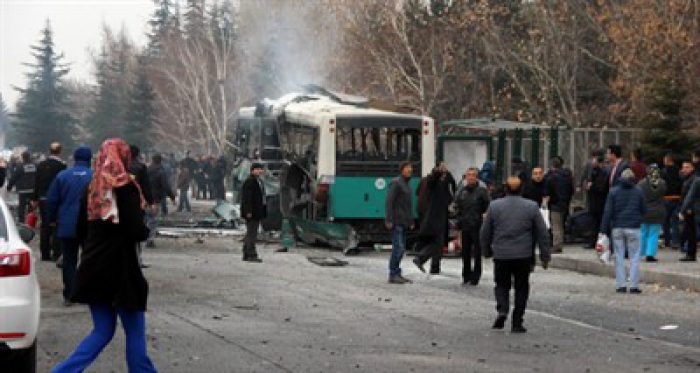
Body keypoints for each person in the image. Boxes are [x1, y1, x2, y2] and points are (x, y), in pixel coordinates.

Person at [52, 139, 156, 373]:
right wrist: (145, 228)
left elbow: (81, 231)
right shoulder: (126, 188)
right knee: (135, 331)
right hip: (121, 272)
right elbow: (135, 231)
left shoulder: (92, 189)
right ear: (124, 157)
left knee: (102, 331)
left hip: (92, 269)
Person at [481, 176, 551, 333]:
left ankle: (502, 309)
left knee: (501, 284)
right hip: (523, 254)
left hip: (501, 254)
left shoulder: (494, 206)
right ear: (522, 189)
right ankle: (517, 320)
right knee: (521, 287)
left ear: (505, 189)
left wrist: (486, 250)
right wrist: (545, 256)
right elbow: (542, 233)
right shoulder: (532, 207)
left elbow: (485, 231)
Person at [46, 146, 93, 306]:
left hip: (67, 224)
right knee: (89, 258)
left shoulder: (62, 176)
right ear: (90, 159)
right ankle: (87, 292)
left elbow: (52, 200)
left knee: (69, 259)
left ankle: (70, 294)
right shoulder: (95, 176)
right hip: (89, 225)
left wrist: (51, 219)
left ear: (74, 158)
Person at [601, 169, 646, 294]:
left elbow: (608, 212)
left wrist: (603, 230)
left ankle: (621, 284)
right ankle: (634, 285)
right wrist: (639, 218)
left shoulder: (613, 191)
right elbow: (643, 209)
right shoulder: (638, 191)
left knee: (619, 255)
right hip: (633, 226)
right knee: (635, 256)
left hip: (617, 227)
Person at [412, 165, 453, 274]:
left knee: (435, 243)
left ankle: (426, 262)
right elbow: (433, 179)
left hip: (438, 219)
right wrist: (438, 171)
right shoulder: (433, 184)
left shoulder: (441, 185)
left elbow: (448, 199)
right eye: (443, 174)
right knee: (437, 244)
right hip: (434, 220)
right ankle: (421, 258)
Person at [454, 167, 490, 286]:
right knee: (465, 252)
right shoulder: (462, 191)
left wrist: (484, 216)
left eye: (473, 175)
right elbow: (456, 206)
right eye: (468, 175)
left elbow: (487, 206)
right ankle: (466, 275)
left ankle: (476, 276)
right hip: (465, 225)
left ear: (476, 177)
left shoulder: (481, 191)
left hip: (478, 225)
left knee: (477, 252)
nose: (470, 177)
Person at [34, 142, 67, 261]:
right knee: (56, 225)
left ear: (49, 151)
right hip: (56, 199)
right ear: (60, 151)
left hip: (43, 198)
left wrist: (34, 198)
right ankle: (57, 252)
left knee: (45, 225)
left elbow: (36, 181)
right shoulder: (62, 166)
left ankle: (45, 253)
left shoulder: (41, 165)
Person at [385, 162, 415, 284]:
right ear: (401, 170)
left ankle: (397, 272)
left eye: (411, 168)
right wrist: (389, 219)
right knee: (399, 248)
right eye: (407, 168)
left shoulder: (407, 184)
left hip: (403, 221)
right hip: (396, 221)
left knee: (401, 249)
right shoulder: (396, 183)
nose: (410, 170)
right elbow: (389, 202)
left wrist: (411, 220)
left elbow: (408, 205)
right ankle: (393, 273)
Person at [146, 154, 175, 248]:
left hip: (145, 197)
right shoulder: (161, 172)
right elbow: (166, 186)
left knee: (147, 217)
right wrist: (172, 197)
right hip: (156, 198)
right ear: (161, 161)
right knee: (153, 219)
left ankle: (145, 236)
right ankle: (150, 239)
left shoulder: (146, 169)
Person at [639, 166, 666, 262]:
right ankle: (650, 254)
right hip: (658, 212)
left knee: (642, 233)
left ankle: (641, 252)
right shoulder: (662, 183)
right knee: (654, 234)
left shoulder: (641, 183)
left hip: (644, 211)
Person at [546, 157, 573, 253]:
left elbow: (549, 192)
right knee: (561, 224)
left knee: (556, 226)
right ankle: (560, 243)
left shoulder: (551, 178)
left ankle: (557, 245)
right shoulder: (568, 176)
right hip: (565, 203)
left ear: (552, 166)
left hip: (555, 203)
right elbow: (571, 190)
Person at [240, 163, 267, 262]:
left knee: (250, 232)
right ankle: (251, 254)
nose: (260, 171)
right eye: (258, 169)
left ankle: (246, 253)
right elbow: (247, 198)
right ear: (253, 170)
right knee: (252, 233)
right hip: (252, 212)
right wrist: (248, 211)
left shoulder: (258, 181)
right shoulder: (250, 181)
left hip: (257, 211)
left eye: (261, 169)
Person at [584, 152, 609, 249]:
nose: (592, 163)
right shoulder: (592, 171)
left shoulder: (603, 173)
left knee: (598, 223)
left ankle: (598, 242)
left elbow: (601, 187)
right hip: (593, 202)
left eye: (594, 161)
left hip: (599, 202)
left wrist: (591, 186)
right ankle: (593, 241)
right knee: (593, 223)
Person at [7, 151, 37, 225]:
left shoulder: (20, 166)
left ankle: (21, 222)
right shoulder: (35, 165)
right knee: (31, 206)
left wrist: (9, 187)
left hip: (23, 190)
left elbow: (14, 177)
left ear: (23, 157)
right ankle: (30, 223)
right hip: (33, 190)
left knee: (22, 207)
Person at [680, 160, 700, 262]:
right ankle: (689, 252)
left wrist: (685, 209)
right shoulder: (687, 178)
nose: (684, 169)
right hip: (689, 207)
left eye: (687, 167)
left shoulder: (694, 179)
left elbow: (691, 196)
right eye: (683, 167)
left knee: (690, 232)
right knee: (688, 231)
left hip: (691, 209)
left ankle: (691, 254)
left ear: (692, 168)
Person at [662, 153, 682, 250]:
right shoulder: (679, 171)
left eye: (664, 160)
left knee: (666, 222)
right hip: (677, 198)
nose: (663, 161)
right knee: (675, 221)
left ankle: (667, 242)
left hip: (666, 198)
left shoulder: (664, 171)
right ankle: (675, 242)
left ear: (669, 160)